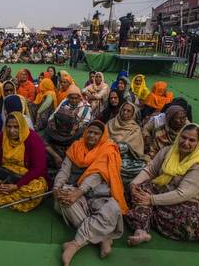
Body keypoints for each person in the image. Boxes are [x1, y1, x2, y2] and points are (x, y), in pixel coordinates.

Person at [127, 123, 199, 244]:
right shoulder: (168, 151)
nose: (186, 142)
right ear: (179, 136)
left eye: (192, 140)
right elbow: (150, 170)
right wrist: (134, 184)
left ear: (198, 143)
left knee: (189, 219)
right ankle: (141, 230)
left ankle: (146, 213)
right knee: (138, 189)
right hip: (161, 192)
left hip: (187, 202)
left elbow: (182, 193)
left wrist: (152, 200)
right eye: (183, 137)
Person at [53, 121, 127, 266]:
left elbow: (97, 175)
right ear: (85, 132)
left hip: (98, 194)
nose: (92, 135)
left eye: (96, 133)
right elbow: (64, 170)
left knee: (113, 208)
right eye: (90, 132)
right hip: (74, 191)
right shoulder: (76, 147)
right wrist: (57, 188)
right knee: (63, 199)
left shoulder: (108, 149)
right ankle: (103, 237)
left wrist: (79, 192)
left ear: (102, 136)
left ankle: (75, 244)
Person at [0, 112, 49, 212]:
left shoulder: (33, 138)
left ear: (22, 126)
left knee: (38, 188)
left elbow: (39, 168)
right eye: (9, 126)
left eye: (16, 127)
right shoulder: (2, 136)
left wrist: (17, 186)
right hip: (3, 174)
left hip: (25, 177)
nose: (11, 130)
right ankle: (10, 199)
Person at [45, 85, 91, 169]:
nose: (73, 100)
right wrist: (52, 123)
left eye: (76, 98)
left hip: (74, 130)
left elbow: (85, 122)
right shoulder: (64, 102)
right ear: (68, 97)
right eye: (71, 98)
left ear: (80, 97)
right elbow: (55, 114)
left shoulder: (85, 107)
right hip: (60, 128)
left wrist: (75, 128)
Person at [107, 102, 147, 185]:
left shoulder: (135, 129)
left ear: (133, 114)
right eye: (124, 110)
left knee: (142, 167)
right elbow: (103, 138)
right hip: (107, 152)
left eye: (128, 111)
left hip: (125, 157)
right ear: (120, 110)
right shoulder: (111, 123)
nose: (125, 112)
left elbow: (134, 148)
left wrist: (117, 146)